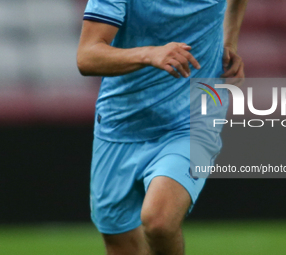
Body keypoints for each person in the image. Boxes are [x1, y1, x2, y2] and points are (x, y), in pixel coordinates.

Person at [77, 0, 247, 254]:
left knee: (159, 221)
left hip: (191, 119)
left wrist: (228, 41)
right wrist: (149, 53)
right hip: (120, 124)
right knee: (120, 243)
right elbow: (87, 56)